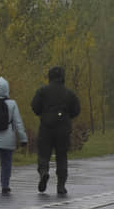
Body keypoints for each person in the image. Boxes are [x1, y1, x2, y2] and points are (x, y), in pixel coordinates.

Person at [31, 65, 81, 195]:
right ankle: (61, 185)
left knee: (43, 154)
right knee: (62, 156)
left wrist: (44, 113)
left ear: (50, 76)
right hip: (63, 130)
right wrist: (67, 116)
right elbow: (76, 110)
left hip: (46, 128)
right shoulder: (69, 93)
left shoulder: (42, 91)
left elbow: (35, 107)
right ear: (62, 77)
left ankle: (44, 172)